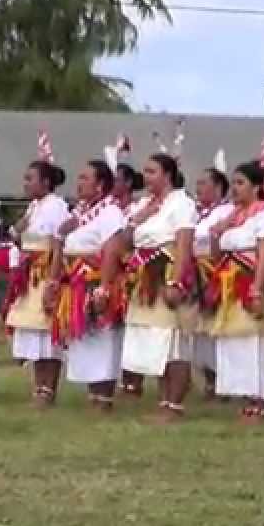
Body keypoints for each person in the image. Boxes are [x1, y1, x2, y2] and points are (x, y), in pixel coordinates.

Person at [120, 154, 198, 423]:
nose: (147, 176)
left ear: (167, 174)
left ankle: (174, 405)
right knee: (153, 341)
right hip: (144, 276)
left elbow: (184, 245)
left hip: (166, 270)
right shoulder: (143, 203)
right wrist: (137, 219)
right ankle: (163, 401)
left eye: (152, 171)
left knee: (172, 340)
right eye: (145, 171)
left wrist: (175, 282)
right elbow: (125, 243)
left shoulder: (182, 203)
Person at [45, 160, 127, 410]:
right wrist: (54, 281)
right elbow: (62, 248)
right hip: (74, 282)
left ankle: (103, 397)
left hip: (95, 280)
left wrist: (103, 287)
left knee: (102, 336)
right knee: (84, 338)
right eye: (78, 178)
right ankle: (94, 394)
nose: (79, 183)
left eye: (85, 178)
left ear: (101, 185)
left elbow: (112, 250)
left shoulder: (110, 212)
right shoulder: (79, 213)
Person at [205, 162, 264, 424]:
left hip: (249, 280)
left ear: (257, 187)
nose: (235, 189)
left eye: (240, 183)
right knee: (233, 341)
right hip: (228, 283)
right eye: (233, 183)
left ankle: (261, 400)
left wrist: (257, 288)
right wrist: (216, 235)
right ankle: (246, 397)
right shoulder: (232, 216)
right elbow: (216, 256)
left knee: (255, 341)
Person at [5, 159, 71, 407]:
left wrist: (53, 281)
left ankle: (48, 389)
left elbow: (58, 246)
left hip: (45, 273)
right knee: (32, 332)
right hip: (29, 273)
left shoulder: (56, 207)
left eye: (30, 178)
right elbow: (15, 235)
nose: (26, 183)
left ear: (46, 182)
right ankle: (38, 387)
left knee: (46, 331)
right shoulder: (35, 206)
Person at [191, 167, 234, 401]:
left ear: (218, 187)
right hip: (195, 272)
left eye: (203, 183)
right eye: (197, 184)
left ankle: (223, 381)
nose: (198, 188)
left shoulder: (228, 211)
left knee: (217, 328)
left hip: (214, 271)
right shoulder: (197, 213)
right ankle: (210, 380)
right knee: (200, 331)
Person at [112, 160, 146, 398]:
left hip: (131, 270)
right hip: (108, 270)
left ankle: (133, 380)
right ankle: (118, 375)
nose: (112, 184)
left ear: (128, 183)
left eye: (117, 179)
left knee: (131, 324)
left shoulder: (139, 207)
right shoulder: (105, 208)